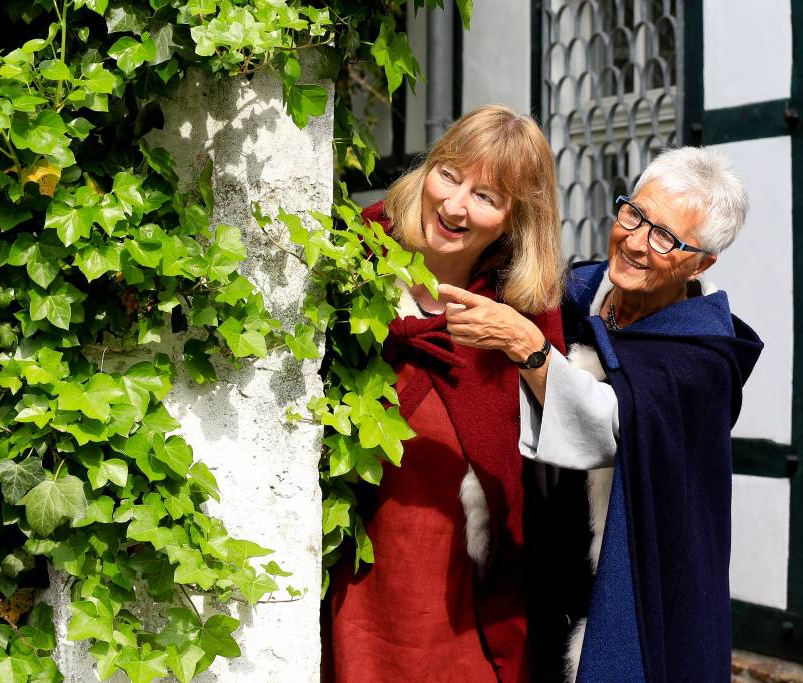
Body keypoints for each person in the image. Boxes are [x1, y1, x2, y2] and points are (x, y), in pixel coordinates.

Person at [438, 146, 763, 682]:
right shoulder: (575, 294)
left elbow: (605, 431)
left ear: (702, 262)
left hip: (625, 590)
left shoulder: (703, 358)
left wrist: (530, 349)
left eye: (666, 237)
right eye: (634, 214)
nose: (635, 242)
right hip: (537, 577)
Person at [323, 105, 571, 682]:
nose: (455, 206)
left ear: (516, 219)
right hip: (350, 564)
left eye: (486, 197)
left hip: (461, 584)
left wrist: (525, 348)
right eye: (450, 175)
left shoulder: (522, 308)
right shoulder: (354, 259)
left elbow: (566, 437)